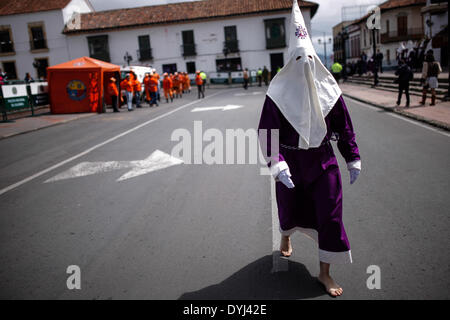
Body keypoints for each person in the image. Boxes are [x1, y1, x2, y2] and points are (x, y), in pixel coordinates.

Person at [258, 0, 361, 297]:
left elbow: (344, 125)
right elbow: (267, 131)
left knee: (330, 215)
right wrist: (277, 163)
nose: (306, 66)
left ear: (316, 59)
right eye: (299, 59)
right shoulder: (277, 93)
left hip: (323, 160)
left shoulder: (329, 90)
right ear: (292, 61)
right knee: (289, 208)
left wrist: (352, 156)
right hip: (291, 160)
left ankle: (325, 273)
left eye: (310, 59)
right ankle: (286, 236)